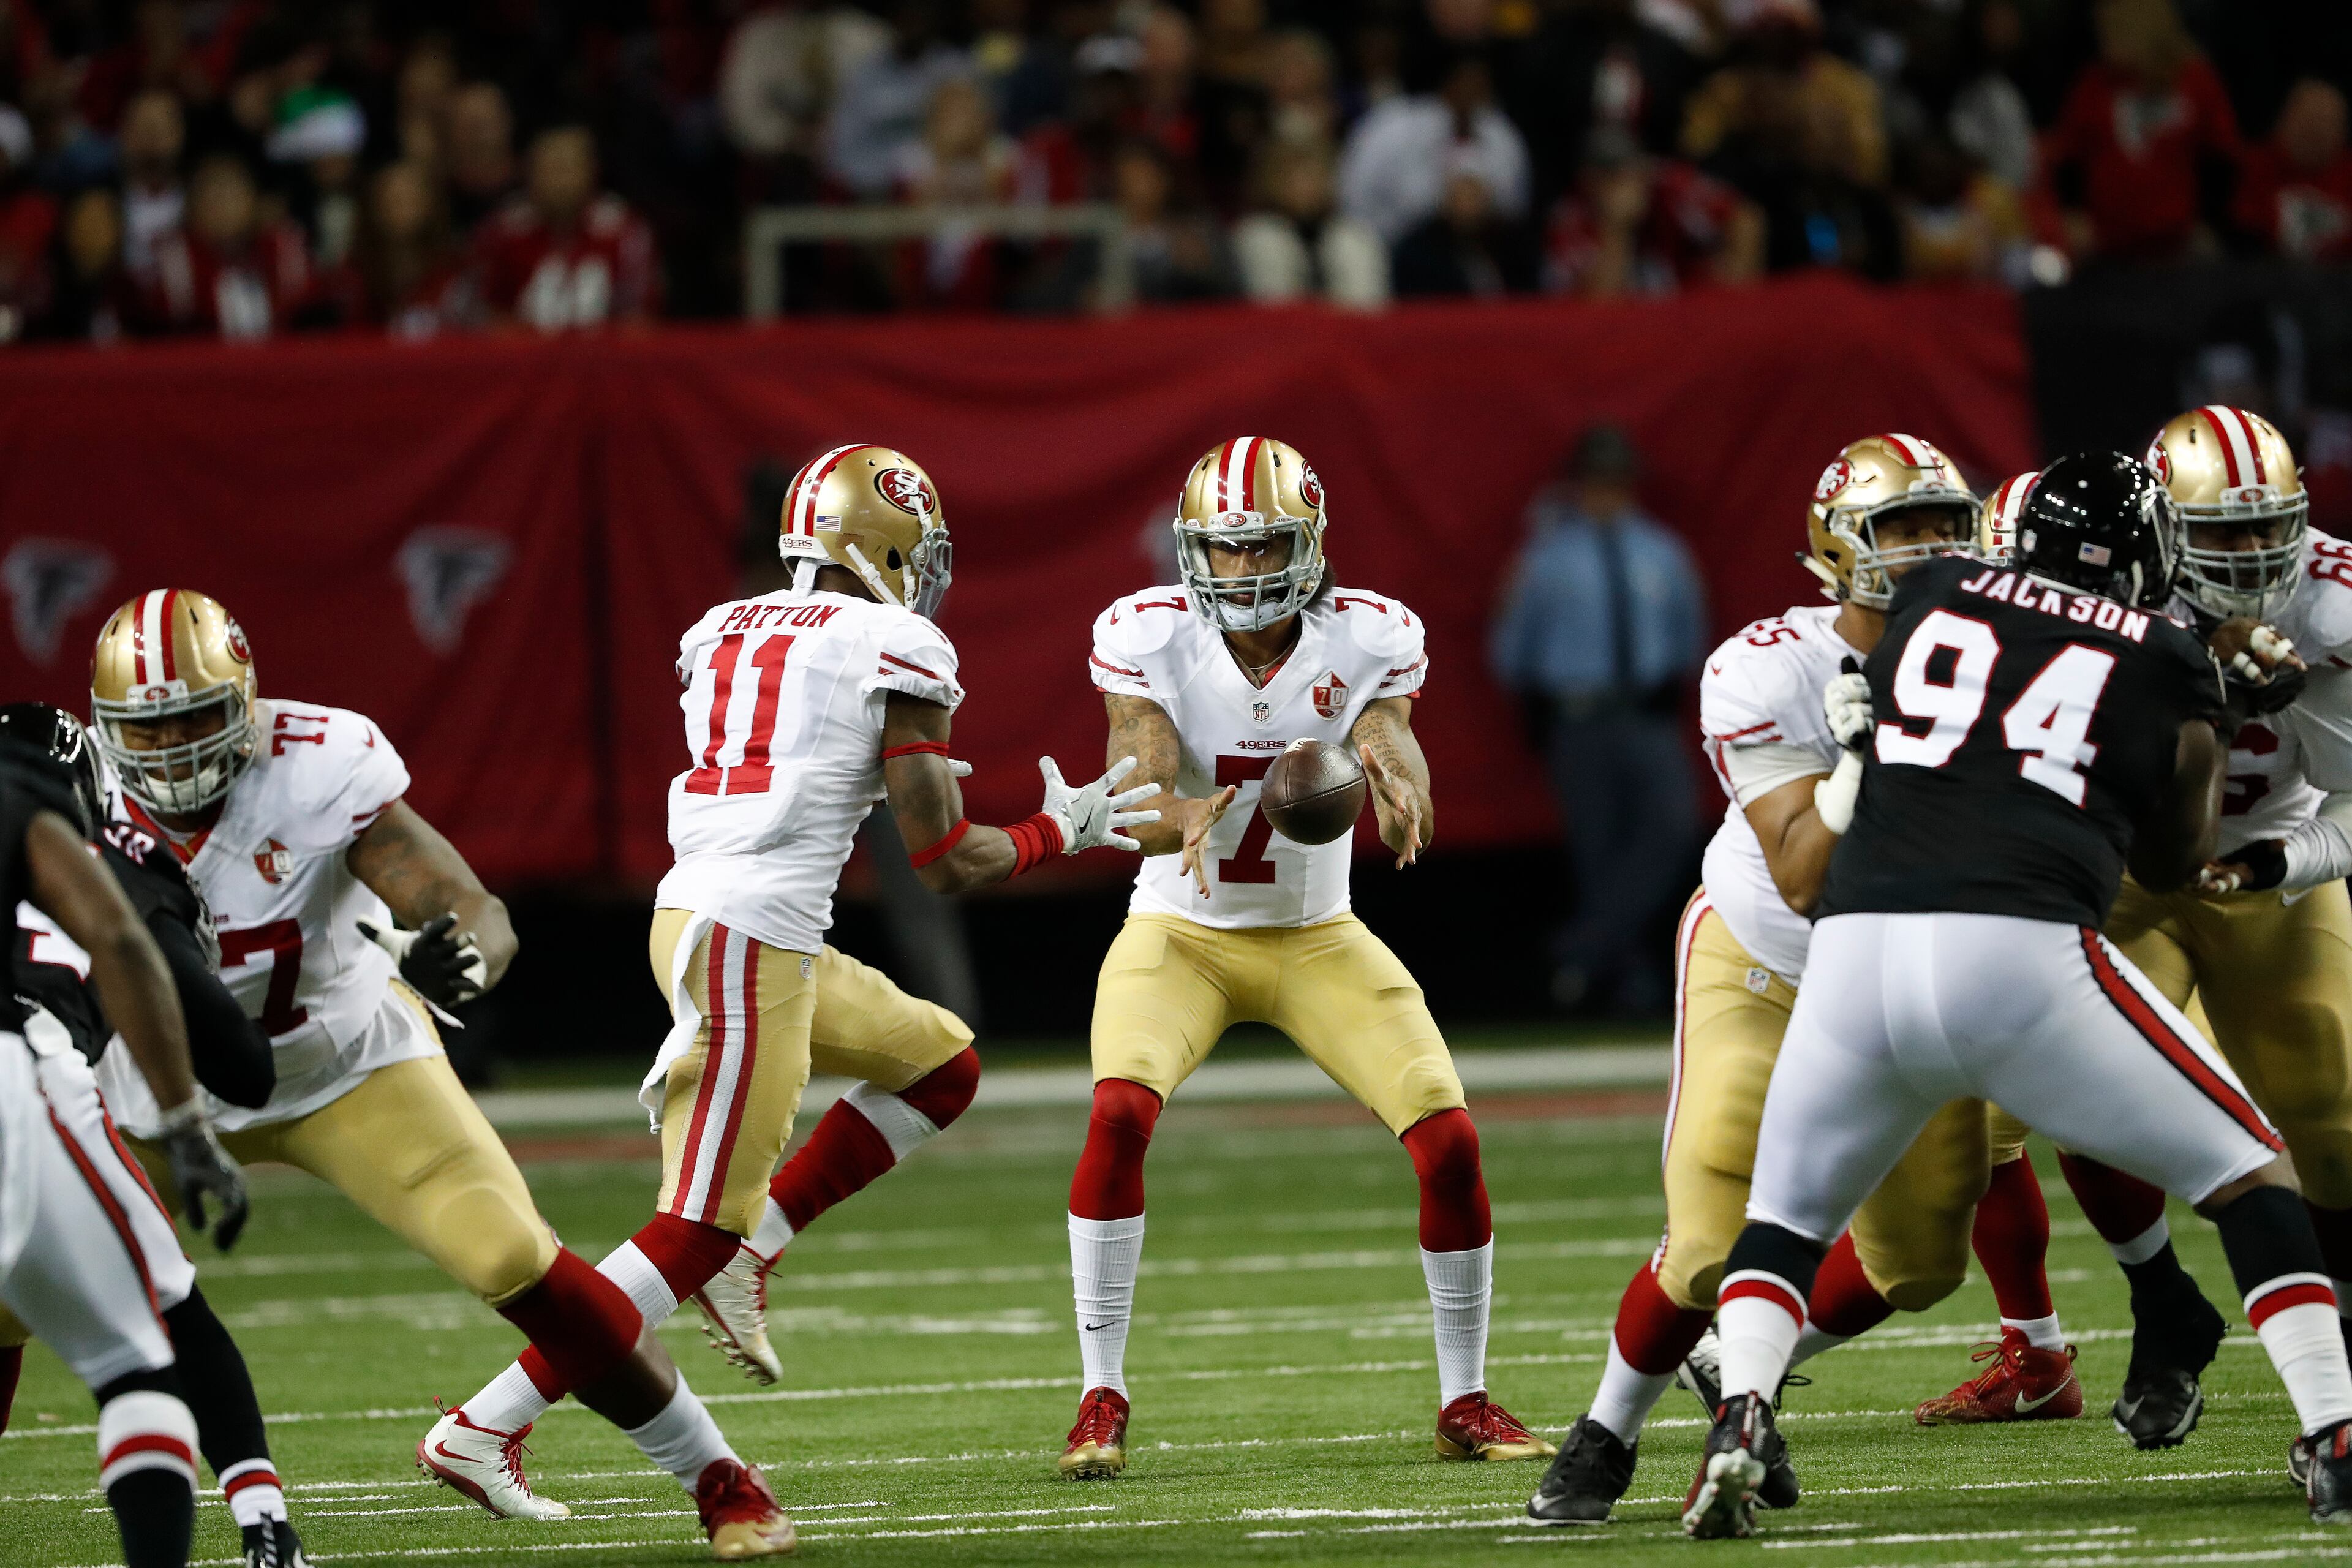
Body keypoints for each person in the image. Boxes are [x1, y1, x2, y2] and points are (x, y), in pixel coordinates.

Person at [426, 445, 1153, 1513]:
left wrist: (869, 778)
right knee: (687, 1227)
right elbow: (946, 860)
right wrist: (1064, 829)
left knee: (939, 1066)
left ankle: (752, 1250)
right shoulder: (900, 641)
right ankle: (486, 1422)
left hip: (703, 914)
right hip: (750, 937)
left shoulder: (723, 626)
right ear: (888, 543)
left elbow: (786, 764)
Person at [1681, 451, 2352, 1539]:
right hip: (2019, 948)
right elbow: (2176, 862)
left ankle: (1744, 1412)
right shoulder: (2163, 651)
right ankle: (2334, 1425)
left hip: (1856, 950)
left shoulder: (1932, 597)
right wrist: (2214, 717)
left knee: (1789, 1220)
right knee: (2248, 1167)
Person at [80, 590, 791, 1560]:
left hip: (343, 1062)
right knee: (5, 1288)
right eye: (146, 727)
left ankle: (719, 1476)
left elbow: (469, 904)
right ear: (105, 728)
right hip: (154, 1085)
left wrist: (452, 951)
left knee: (512, 1256)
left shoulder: (318, 763)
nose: (173, 747)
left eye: (198, 715)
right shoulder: (64, 797)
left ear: (246, 700)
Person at [1527, 432, 2028, 1526]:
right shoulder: (1768, 667)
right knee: (1707, 1238)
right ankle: (1604, 1436)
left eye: (1948, 525)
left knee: (1920, 1263)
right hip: (1771, 961)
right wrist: (1868, 756)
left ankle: (1737, 1368)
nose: (1931, 549)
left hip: (1911, 981)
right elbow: (1804, 877)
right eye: (1902, 529)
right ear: (1838, 545)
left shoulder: (2022, 657)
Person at [1061, 435, 1554, 1480]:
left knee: (1453, 1142)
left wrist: (1396, 777)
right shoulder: (1148, 635)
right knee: (1117, 1114)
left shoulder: (1369, 636)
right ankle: (1102, 1391)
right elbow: (1137, 758)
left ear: (1311, 544)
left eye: (1265, 548)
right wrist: (1169, 807)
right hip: (1180, 935)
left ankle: (1464, 1398)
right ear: (1194, 554)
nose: (1242, 572)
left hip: (1317, 934)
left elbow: (1386, 728)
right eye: (1225, 552)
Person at [1943, 408, 2352, 1477]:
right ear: (2162, 529)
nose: (2254, 562)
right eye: (2220, 538)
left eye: (2269, 531)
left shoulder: (2335, 600)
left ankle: (2336, 1362)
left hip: (2273, 857)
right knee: (2081, 1090)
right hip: (2117, 862)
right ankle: (2161, 1298)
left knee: (2328, 1119)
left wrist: (2277, 865)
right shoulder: (2092, 562)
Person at [0, 706, 303, 1568]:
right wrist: (186, 1125)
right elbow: (220, 1044)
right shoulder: (91, 844)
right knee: (149, 1344)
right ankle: (264, 1521)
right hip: (27, 1075)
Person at [1491, 424, 1705, 1014]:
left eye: (1617, 481)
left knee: (1672, 831)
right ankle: (1628, 986)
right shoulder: (1546, 558)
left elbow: (1688, 634)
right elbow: (1513, 648)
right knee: (1599, 852)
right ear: (1578, 485)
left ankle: (1579, 953)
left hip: (1649, 713)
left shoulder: (1662, 552)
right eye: (1596, 481)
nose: (1607, 493)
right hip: (1579, 718)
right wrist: (1539, 710)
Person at [472, 126, 658, 331]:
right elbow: (487, 319)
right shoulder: (503, 232)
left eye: (569, 167)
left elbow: (640, 320)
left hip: (605, 359)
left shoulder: (623, 231)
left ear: (592, 170)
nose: (560, 180)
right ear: (529, 173)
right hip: (524, 360)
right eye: (550, 168)